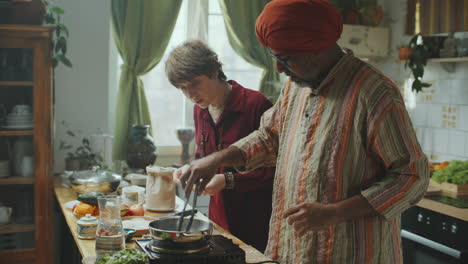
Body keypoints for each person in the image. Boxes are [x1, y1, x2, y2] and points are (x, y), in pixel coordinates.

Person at [177, 0, 430, 263]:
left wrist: (335, 212)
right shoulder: (295, 88)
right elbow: (268, 138)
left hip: (350, 253)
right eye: (274, 57)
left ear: (317, 50)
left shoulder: (374, 93)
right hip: (293, 250)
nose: (278, 68)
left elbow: (411, 176)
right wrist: (215, 159)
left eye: (285, 58)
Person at [165, 40, 275, 252]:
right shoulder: (201, 109)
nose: (189, 95)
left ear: (214, 72)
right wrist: (190, 169)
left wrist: (228, 180)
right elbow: (204, 156)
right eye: (182, 88)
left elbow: (276, 172)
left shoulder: (255, 104)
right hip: (218, 221)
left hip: (256, 222)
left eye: (194, 83)